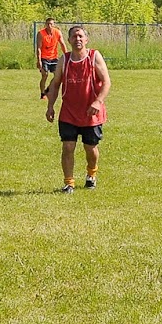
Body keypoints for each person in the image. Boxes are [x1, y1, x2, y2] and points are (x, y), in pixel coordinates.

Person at [45, 25, 111, 194]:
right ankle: (69, 183)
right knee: (67, 147)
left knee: (91, 148)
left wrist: (98, 101)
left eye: (81, 36)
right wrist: (50, 106)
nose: (78, 39)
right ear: (69, 41)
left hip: (91, 114)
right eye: (74, 36)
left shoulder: (94, 56)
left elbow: (107, 82)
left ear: (86, 39)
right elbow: (55, 84)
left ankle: (91, 173)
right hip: (68, 113)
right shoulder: (64, 60)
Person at [36, 18, 68, 100]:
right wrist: (39, 60)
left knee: (58, 76)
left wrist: (67, 56)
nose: (49, 26)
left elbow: (62, 44)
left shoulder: (57, 32)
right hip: (44, 58)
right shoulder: (41, 33)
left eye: (51, 24)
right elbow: (38, 48)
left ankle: (48, 90)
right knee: (45, 75)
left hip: (54, 58)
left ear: (54, 25)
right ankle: (42, 94)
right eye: (48, 24)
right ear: (45, 25)